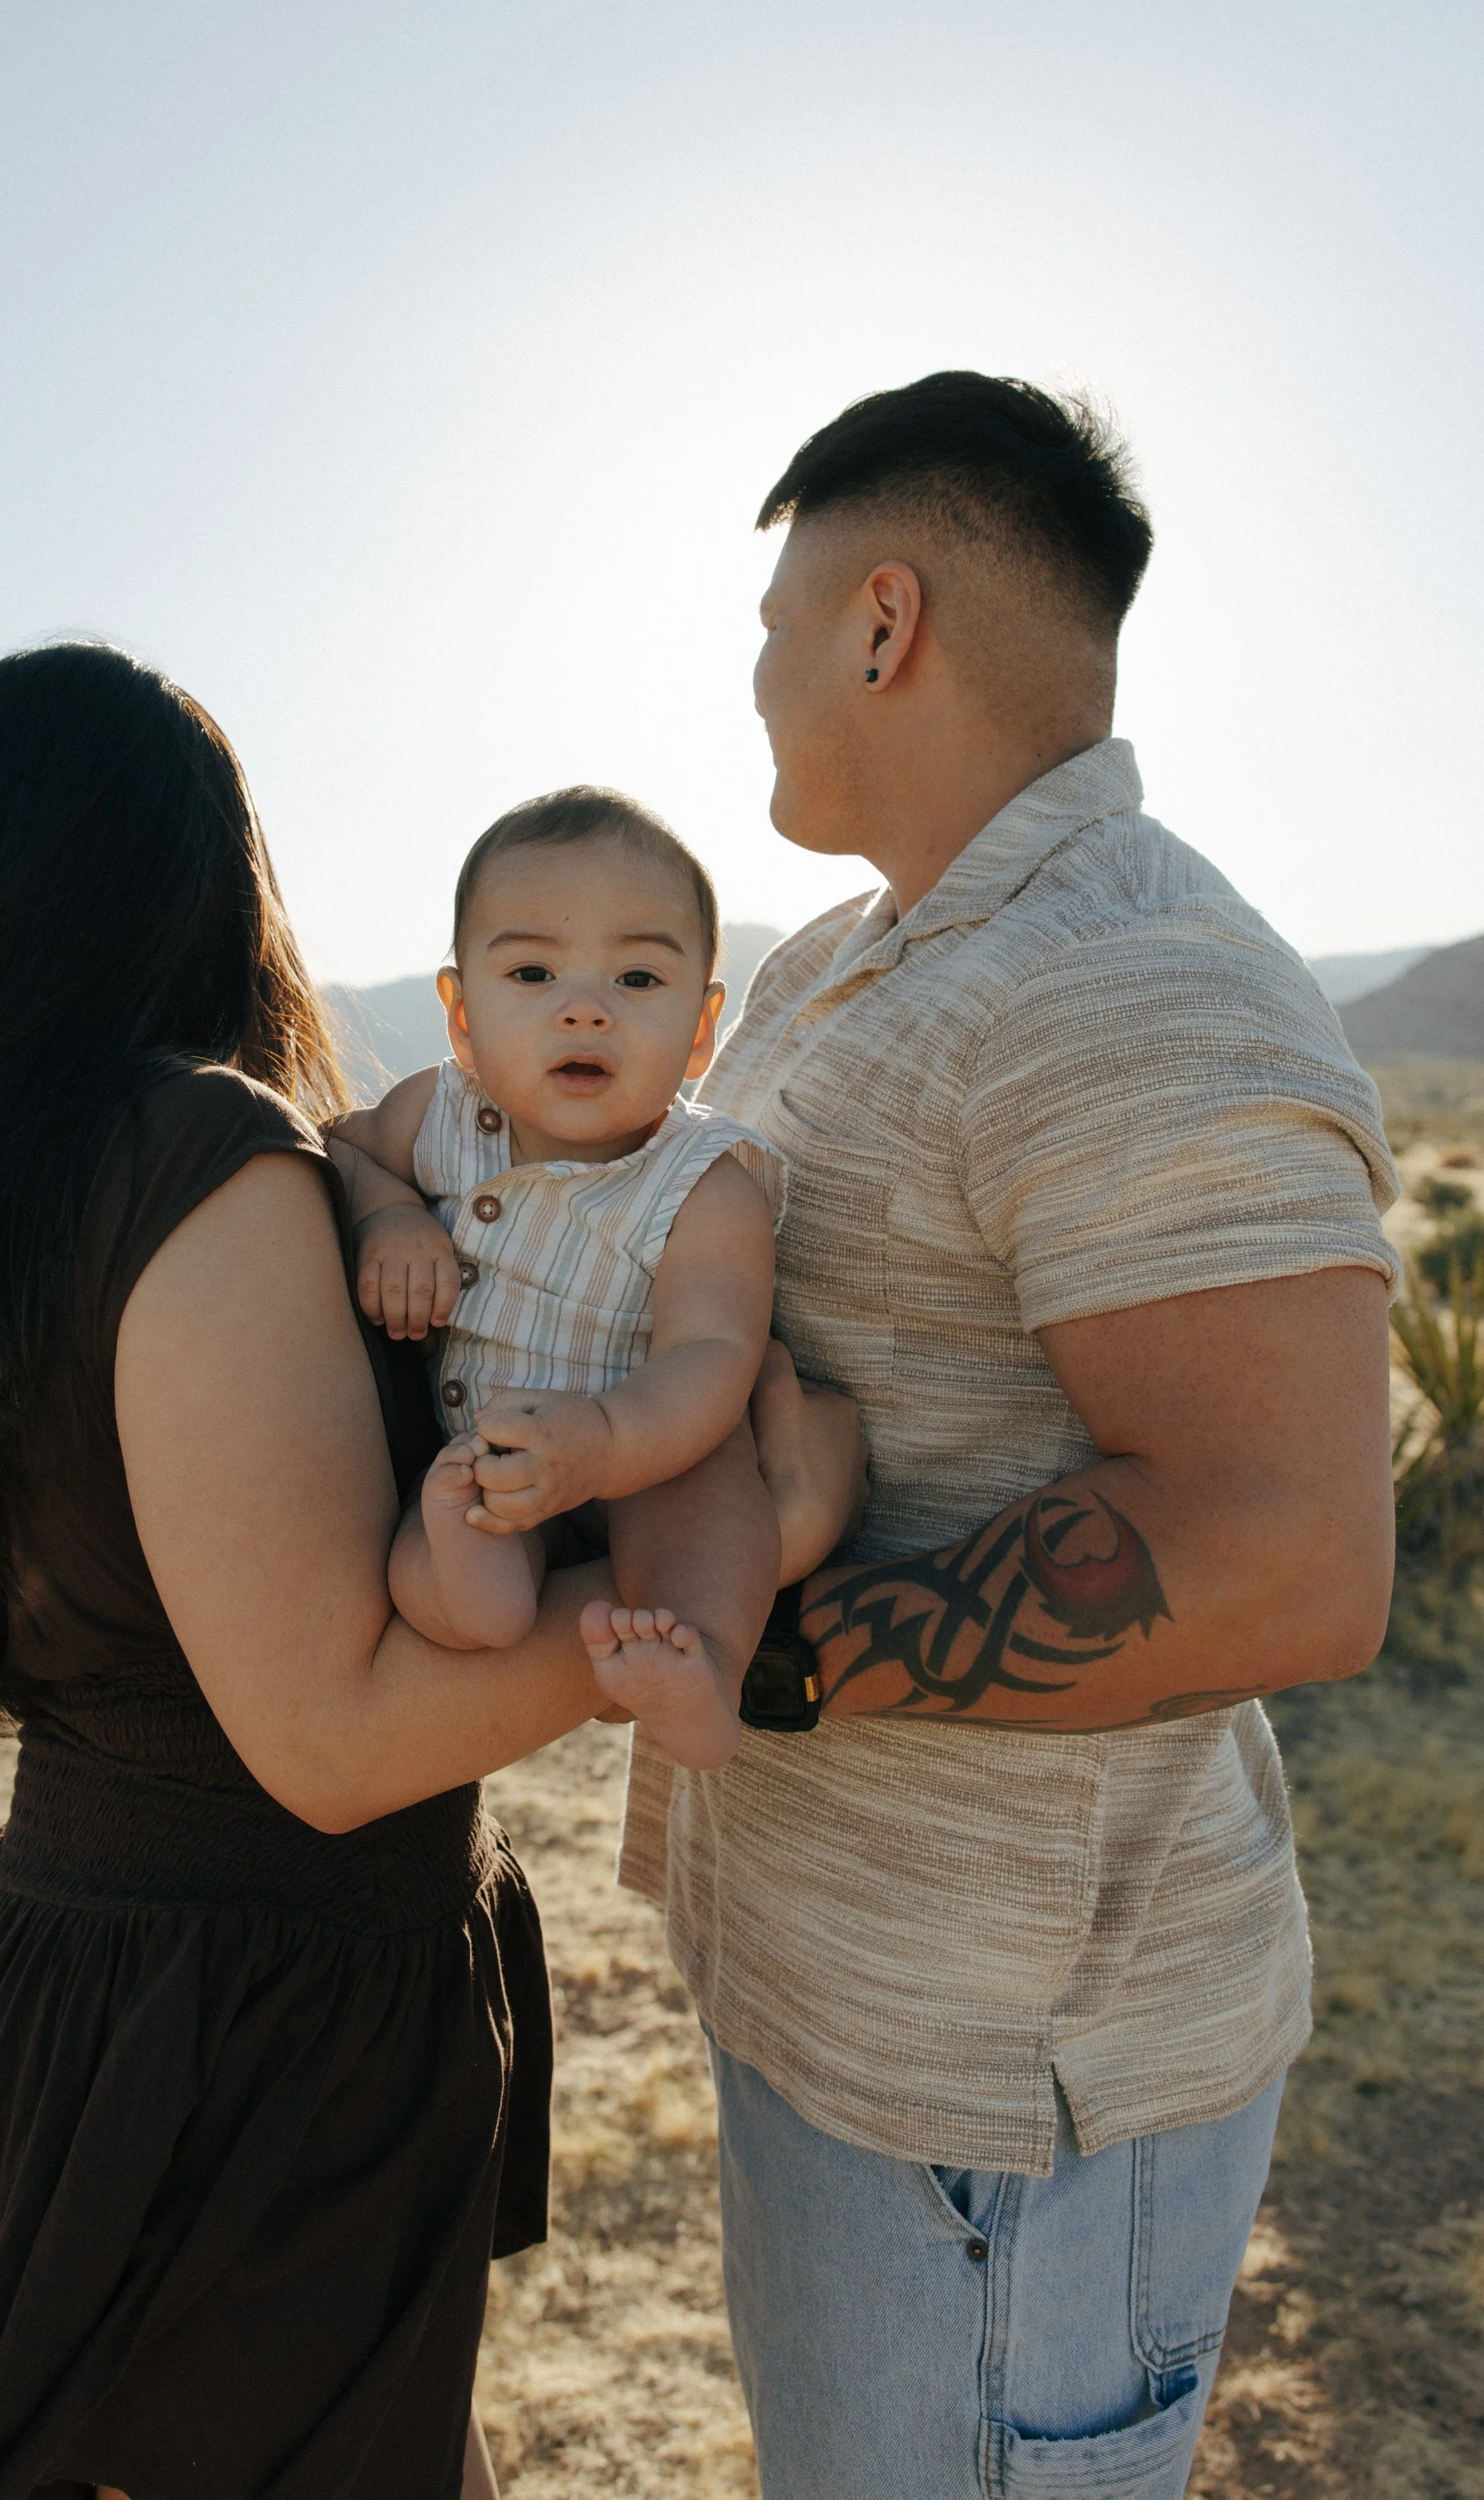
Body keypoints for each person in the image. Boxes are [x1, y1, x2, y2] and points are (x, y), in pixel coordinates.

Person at [0, 643, 856, 2500]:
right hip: (248, 2019)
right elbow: (331, 1740)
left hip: (104, 1972)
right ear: (213, 875)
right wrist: (749, 1557)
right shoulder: (209, 1161)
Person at [617, 372, 1402, 2498]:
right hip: (844, 1993)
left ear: (881, 624)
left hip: (1005, 2086)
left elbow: (1286, 1558)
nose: (759, 675)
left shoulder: (1126, 977)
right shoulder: (842, 966)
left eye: (777, 621)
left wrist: (769, 1655)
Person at [334, 786, 796, 1770]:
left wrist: (610, 1441)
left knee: (715, 1499)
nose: (584, 1007)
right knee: (438, 1543)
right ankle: (476, 1589)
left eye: (637, 977)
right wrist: (389, 1211)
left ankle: (705, 1667)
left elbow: (713, 1352)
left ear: (702, 1028)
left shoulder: (703, 1180)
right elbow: (338, 1147)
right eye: (534, 971)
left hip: (648, 1447)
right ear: (461, 1014)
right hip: (489, 1450)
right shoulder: (438, 1117)